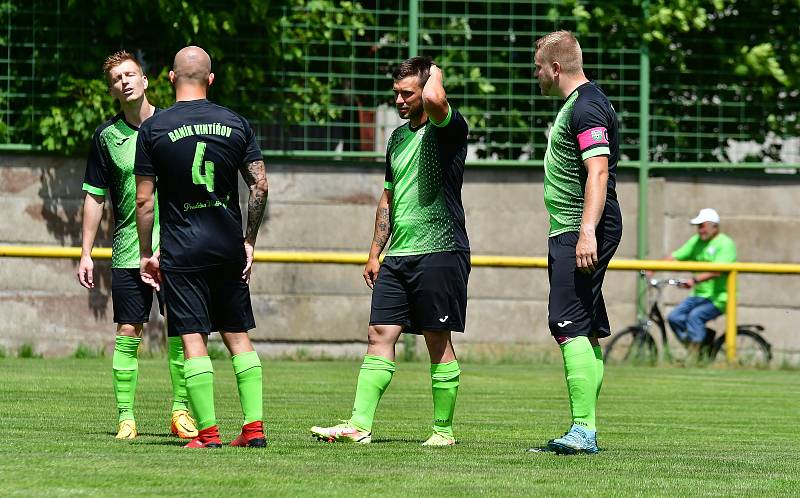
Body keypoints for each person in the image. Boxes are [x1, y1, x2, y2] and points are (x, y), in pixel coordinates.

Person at [310, 56, 470, 447]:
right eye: (396, 93)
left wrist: (435, 72)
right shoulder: (397, 138)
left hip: (440, 250)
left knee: (436, 340)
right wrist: (374, 252)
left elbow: (435, 97)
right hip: (398, 255)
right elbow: (388, 197)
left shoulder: (447, 127)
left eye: (407, 93)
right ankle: (358, 425)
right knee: (378, 333)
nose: (399, 100)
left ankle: (443, 432)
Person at [134, 46, 269, 449]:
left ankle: (207, 434)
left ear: (171, 79)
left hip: (182, 248)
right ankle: (254, 429)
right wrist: (248, 241)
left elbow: (144, 200)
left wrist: (147, 252)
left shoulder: (153, 130)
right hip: (227, 246)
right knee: (238, 336)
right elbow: (259, 184)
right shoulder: (236, 123)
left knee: (194, 338)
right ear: (211, 80)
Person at [77, 51, 197, 441]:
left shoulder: (173, 126)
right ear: (112, 90)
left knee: (182, 332)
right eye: (117, 78)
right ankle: (126, 417)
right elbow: (95, 197)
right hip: (131, 250)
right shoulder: (106, 138)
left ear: (146, 81)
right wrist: (85, 252)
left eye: (130, 74)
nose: (125, 81)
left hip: (178, 249)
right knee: (129, 330)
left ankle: (181, 413)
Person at [532, 31, 622, 455]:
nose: (536, 75)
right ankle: (584, 427)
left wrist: (586, 230)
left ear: (555, 67)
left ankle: (583, 431)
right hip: (574, 227)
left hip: (579, 228)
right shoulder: (582, 103)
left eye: (537, 67)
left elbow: (598, 171)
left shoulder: (586, 106)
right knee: (584, 328)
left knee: (566, 324)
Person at [661, 208, 737, 357]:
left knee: (695, 316)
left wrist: (693, 280)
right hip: (698, 295)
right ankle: (698, 348)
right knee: (674, 317)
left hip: (720, 297)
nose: (700, 230)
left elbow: (718, 270)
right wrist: (650, 269)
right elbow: (676, 256)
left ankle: (695, 356)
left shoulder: (725, 244)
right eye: (698, 226)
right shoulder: (696, 241)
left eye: (702, 226)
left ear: (714, 226)